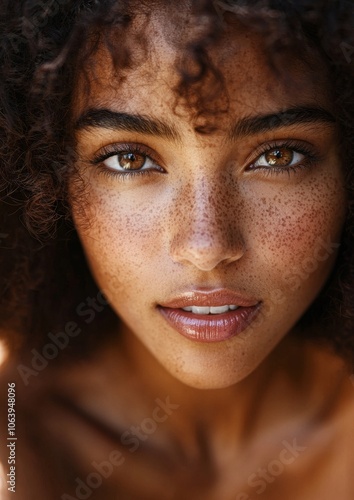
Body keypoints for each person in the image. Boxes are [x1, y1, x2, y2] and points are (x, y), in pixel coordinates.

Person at [1, 0, 354, 498]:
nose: (206, 247)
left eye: (278, 155)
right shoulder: (13, 437)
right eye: (129, 158)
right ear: (46, 179)